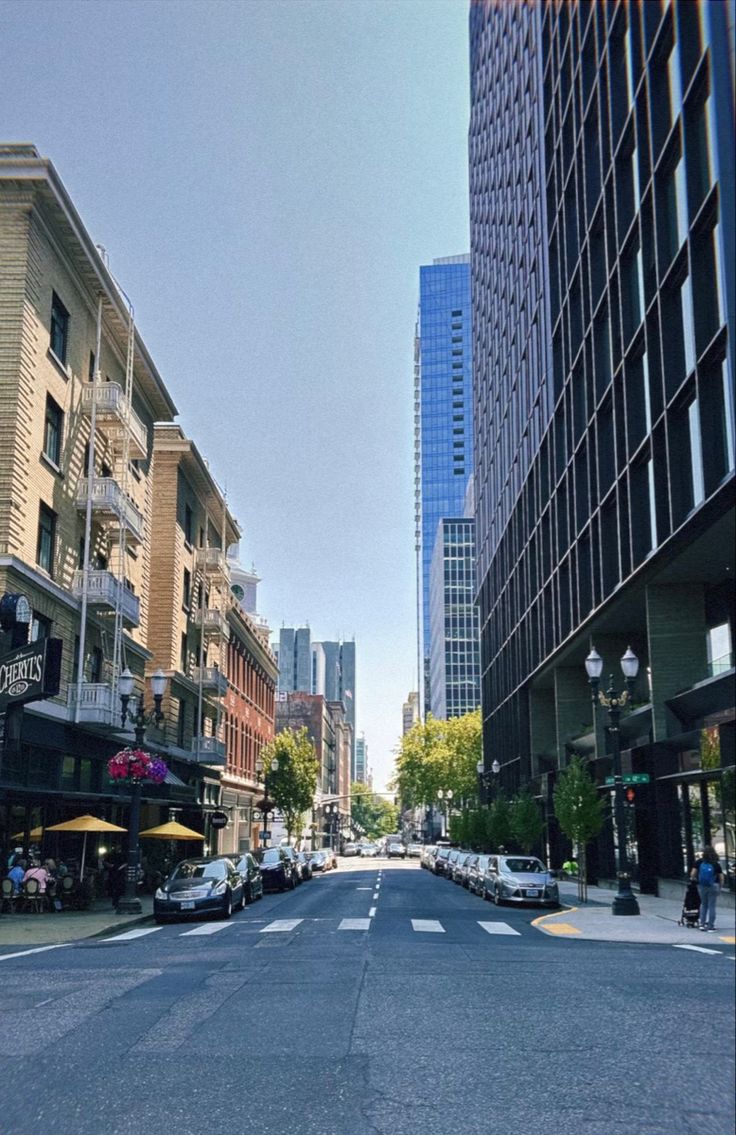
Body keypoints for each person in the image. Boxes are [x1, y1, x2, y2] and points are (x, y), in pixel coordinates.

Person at [690, 845, 725, 932]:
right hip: (713, 885)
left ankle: (702, 924)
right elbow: (721, 877)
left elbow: (692, 874)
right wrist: (720, 887)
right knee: (712, 906)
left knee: (703, 904)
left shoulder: (699, 862)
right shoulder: (715, 864)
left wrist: (695, 880)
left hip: (702, 886)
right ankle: (711, 926)